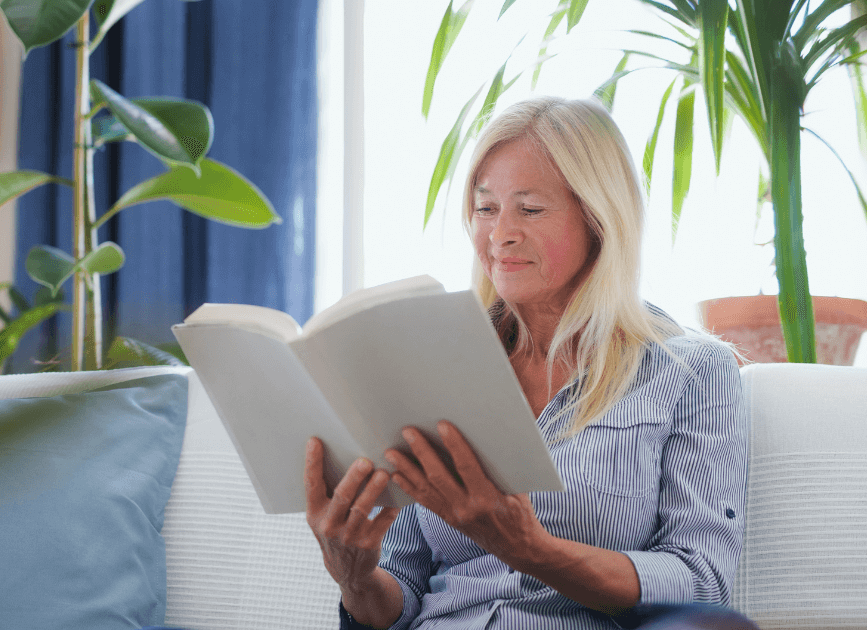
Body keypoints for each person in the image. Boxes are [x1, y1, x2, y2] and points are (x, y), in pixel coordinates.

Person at [303, 96, 754, 630]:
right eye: (486, 208)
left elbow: (700, 578)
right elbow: (401, 589)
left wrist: (530, 549)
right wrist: (356, 578)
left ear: (599, 219)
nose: (499, 234)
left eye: (530, 209)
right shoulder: (432, 372)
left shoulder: (692, 373)